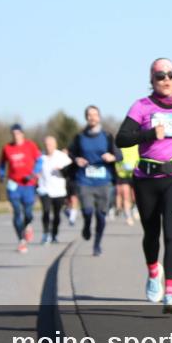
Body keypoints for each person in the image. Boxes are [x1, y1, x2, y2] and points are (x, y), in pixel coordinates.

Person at [116, 58, 172, 313]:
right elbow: (122, 138)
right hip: (146, 179)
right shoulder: (141, 106)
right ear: (152, 79)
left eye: (171, 74)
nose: (166, 79)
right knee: (151, 234)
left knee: (171, 235)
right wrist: (148, 134)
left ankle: (170, 294)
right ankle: (153, 272)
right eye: (160, 75)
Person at [68, 106, 120, 256]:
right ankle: (86, 224)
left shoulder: (107, 136)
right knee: (87, 211)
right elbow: (71, 153)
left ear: (99, 117)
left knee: (101, 215)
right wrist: (77, 159)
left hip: (104, 180)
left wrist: (112, 157)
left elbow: (119, 155)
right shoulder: (80, 137)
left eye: (95, 114)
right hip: (84, 180)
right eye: (89, 115)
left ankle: (97, 244)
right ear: (86, 118)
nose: (92, 117)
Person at [0, 124, 42, 253]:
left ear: (22, 134)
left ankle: (28, 225)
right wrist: (1, 174)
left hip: (28, 184)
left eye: (18, 133)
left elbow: (40, 160)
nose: (16, 136)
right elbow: (2, 163)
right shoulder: (7, 148)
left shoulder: (30, 145)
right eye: (13, 134)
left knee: (28, 213)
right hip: (14, 184)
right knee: (17, 211)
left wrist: (34, 173)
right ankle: (21, 241)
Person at [38, 135, 71, 244]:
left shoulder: (62, 157)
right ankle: (45, 233)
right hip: (44, 189)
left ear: (55, 145)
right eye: (46, 145)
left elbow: (70, 170)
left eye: (50, 145)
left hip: (59, 190)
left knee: (57, 214)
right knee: (46, 211)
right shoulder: (40, 157)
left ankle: (54, 234)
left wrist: (63, 170)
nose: (48, 147)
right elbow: (35, 170)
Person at [114, 144, 139, 225]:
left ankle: (135, 208)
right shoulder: (120, 145)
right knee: (125, 195)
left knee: (135, 196)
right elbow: (116, 158)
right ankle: (128, 216)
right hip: (123, 174)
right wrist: (119, 168)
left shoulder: (137, 145)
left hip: (136, 173)